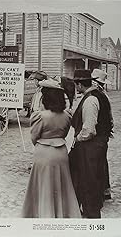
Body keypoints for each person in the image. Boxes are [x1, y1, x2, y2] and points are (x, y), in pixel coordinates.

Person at [22, 79, 81, 218]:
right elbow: (66, 133)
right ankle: (62, 212)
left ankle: (44, 213)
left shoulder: (40, 116)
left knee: (43, 186)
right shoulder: (66, 116)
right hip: (61, 152)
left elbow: (34, 137)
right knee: (61, 185)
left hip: (43, 153)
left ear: (46, 99)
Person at [69, 69, 114, 218]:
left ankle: (90, 214)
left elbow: (89, 130)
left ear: (80, 84)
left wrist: (78, 139)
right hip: (98, 146)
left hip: (90, 148)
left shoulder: (90, 100)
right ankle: (89, 210)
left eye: (76, 84)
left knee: (88, 182)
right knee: (93, 179)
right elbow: (109, 121)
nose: (76, 88)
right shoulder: (101, 96)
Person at [91, 68, 114, 201]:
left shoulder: (97, 96)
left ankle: (99, 191)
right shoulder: (104, 95)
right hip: (104, 134)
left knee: (97, 163)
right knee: (102, 162)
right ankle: (105, 190)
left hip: (98, 134)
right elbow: (110, 118)